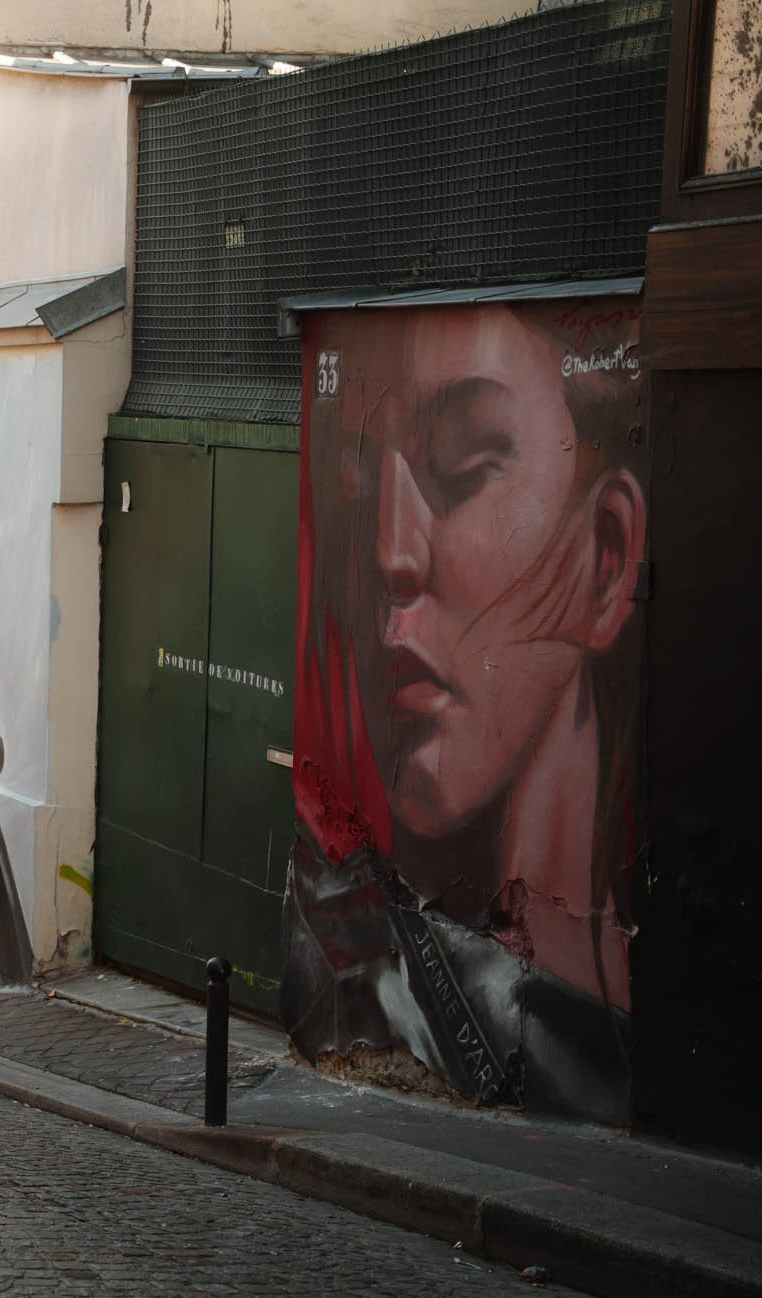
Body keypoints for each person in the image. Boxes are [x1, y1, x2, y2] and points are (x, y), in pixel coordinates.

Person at [286, 298, 646, 1121]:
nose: (391, 550)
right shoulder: (340, 955)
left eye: (464, 464)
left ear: (607, 559)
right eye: (354, 487)